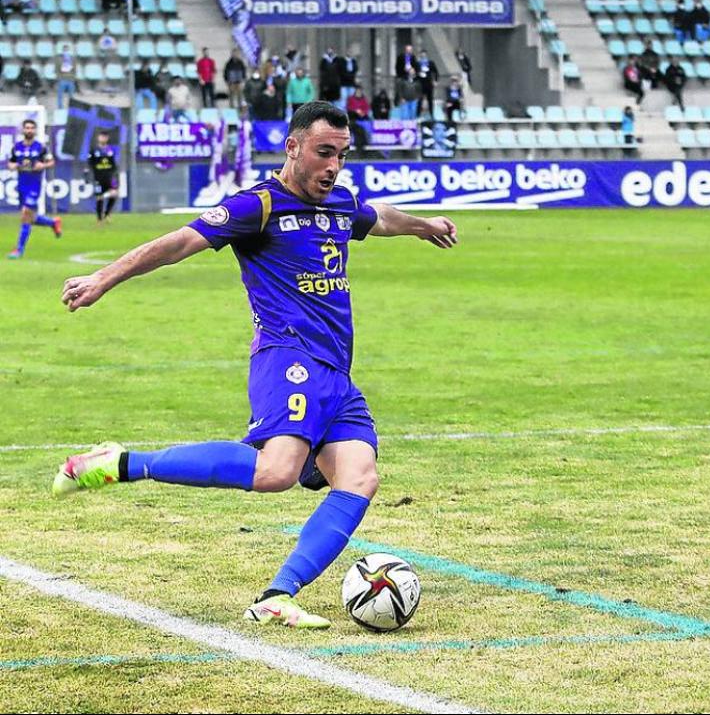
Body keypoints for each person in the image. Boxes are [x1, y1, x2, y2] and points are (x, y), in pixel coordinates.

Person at [52, 102, 459, 629]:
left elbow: (380, 217)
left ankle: (278, 594)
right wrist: (103, 278)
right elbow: (179, 243)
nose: (332, 166)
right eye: (322, 153)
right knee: (276, 473)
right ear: (293, 147)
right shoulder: (257, 207)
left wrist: (424, 225)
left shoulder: (339, 204)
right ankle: (119, 463)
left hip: (336, 371)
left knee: (359, 478)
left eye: (340, 154)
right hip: (287, 356)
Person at [7, 119, 62, 259]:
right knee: (29, 217)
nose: (29, 130)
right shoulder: (16, 147)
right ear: (23, 130)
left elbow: (52, 162)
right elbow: (11, 162)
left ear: (35, 130)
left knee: (25, 214)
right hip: (21, 185)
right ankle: (53, 222)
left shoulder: (41, 148)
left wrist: (42, 166)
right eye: (27, 128)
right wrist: (12, 166)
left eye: (32, 128)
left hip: (34, 185)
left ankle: (19, 250)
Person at [87, 130, 121, 224]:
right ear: (98, 138)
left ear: (107, 138)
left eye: (105, 137)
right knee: (99, 197)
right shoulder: (94, 150)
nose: (103, 138)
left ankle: (107, 214)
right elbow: (90, 163)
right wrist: (88, 173)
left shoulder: (110, 150)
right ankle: (99, 219)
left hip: (109, 176)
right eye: (102, 136)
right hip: (98, 177)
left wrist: (115, 175)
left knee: (114, 193)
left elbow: (114, 164)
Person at [414, 50, 438, 121]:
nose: (423, 56)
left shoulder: (430, 63)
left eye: (424, 55)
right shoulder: (417, 64)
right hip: (420, 84)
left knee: (430, 100)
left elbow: (436, 72)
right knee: (419, 100)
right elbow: (414, 74)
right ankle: (417, 115)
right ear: (420, 56)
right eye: (422, 55)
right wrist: (418, 76)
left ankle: (431, 115)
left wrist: (435, 81)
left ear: (426, 55)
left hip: (429, 84)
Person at [56, 45, 77, 109]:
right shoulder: (59, 59)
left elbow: (75, 69)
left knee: (71, 95)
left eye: (67, 50)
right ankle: (60, 107)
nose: (66, 51)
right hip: (62, 79)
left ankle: (72, 108)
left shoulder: (72, 59)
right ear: (63, 51)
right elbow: (57, 69)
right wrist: (59, 78)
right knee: (60, 95)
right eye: (64, 50)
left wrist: (73, 78)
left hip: (70, 79)